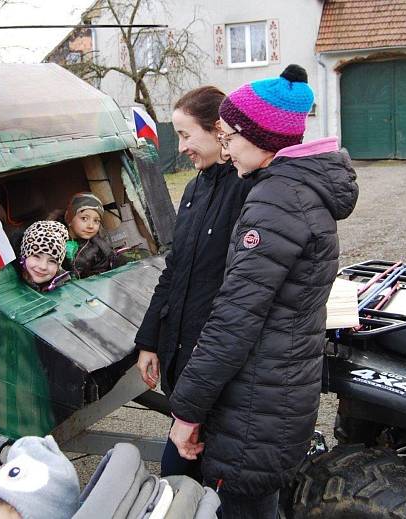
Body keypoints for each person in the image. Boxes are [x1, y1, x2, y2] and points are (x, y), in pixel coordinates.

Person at [167, 65, 359, 518]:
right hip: (278, 392)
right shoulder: (295, 190)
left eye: (230, 136)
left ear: (262, 138)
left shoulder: (276, 202)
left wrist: (188, 413)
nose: (227, 147)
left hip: (257, 402)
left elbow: (234, 319)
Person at [134, 86, 251, 482]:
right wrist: (149, 340)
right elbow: (174, 269)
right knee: (180, 476)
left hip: (218, 372)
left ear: (218, 130)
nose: (181, 146)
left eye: (186, 135)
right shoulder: (193, 189)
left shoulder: (248, 191)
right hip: (184, 363)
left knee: (185, 476)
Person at [63, 192, 125, 279]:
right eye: (84, 218)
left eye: (96, 221)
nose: (91, 226)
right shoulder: (51, 239)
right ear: (69, 218)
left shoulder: (100, 250)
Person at [19, 220, 70, 292]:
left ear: (58, 267)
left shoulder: (63, 286)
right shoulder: (6, 278)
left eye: (52, 261)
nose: (43, 267)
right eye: (36, 256)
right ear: (24, 256)